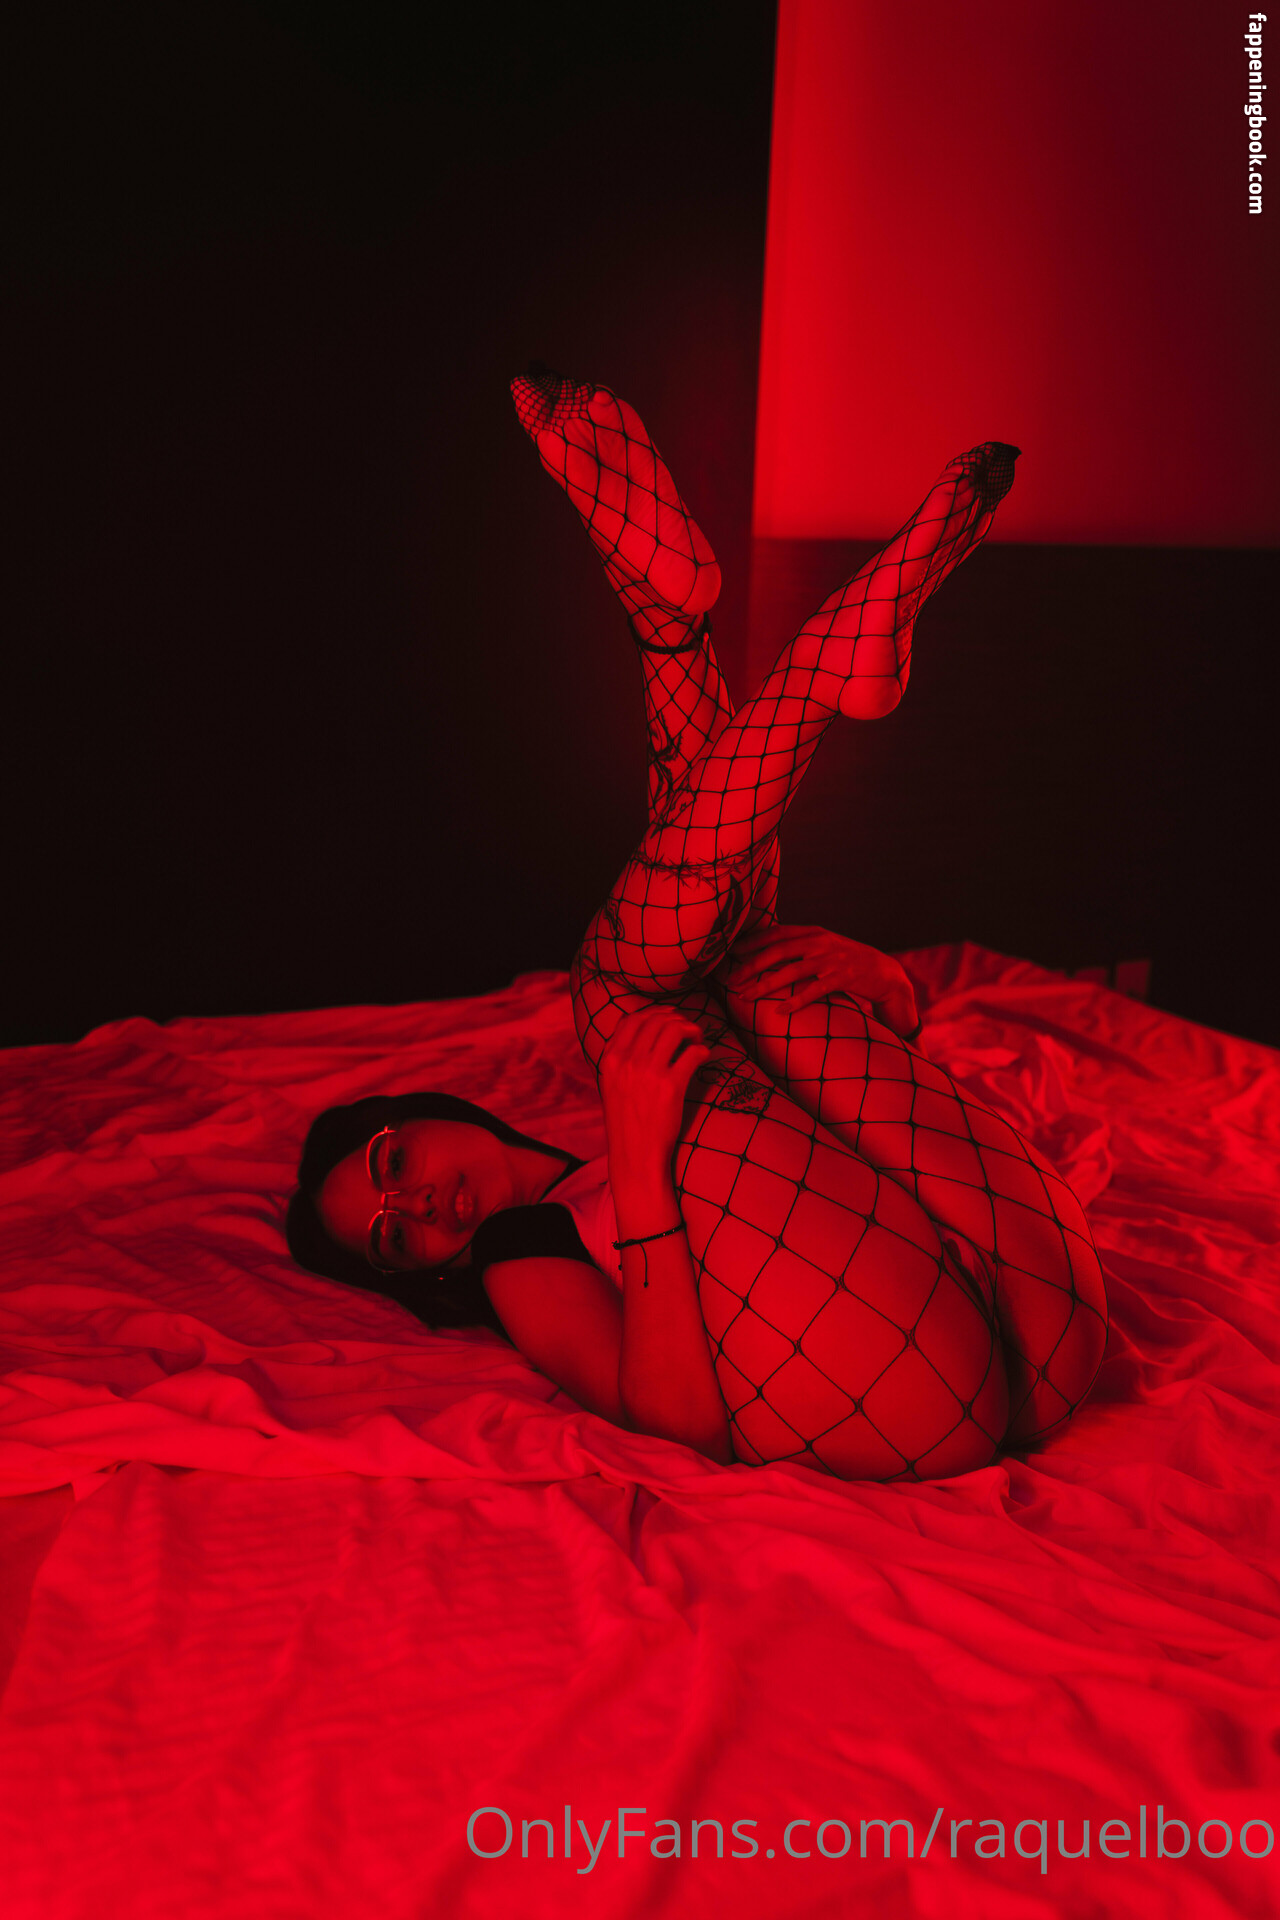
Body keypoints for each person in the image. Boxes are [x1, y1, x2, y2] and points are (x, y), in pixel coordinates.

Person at [286, 368, 1108, 1479]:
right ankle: (753, 653)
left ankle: (693, 631)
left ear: (429, 1115)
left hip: (1038, 1310)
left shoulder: (661, 1113)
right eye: (394, 1234)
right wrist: (636, 1155)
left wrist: (885, 987)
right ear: (424, 1269)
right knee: (618, 992)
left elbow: (857, 1153)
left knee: (743, 969)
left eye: (393, 1160)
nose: (418, 1201)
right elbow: (674, 1426)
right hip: (909, 1398)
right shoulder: (519, 1256)